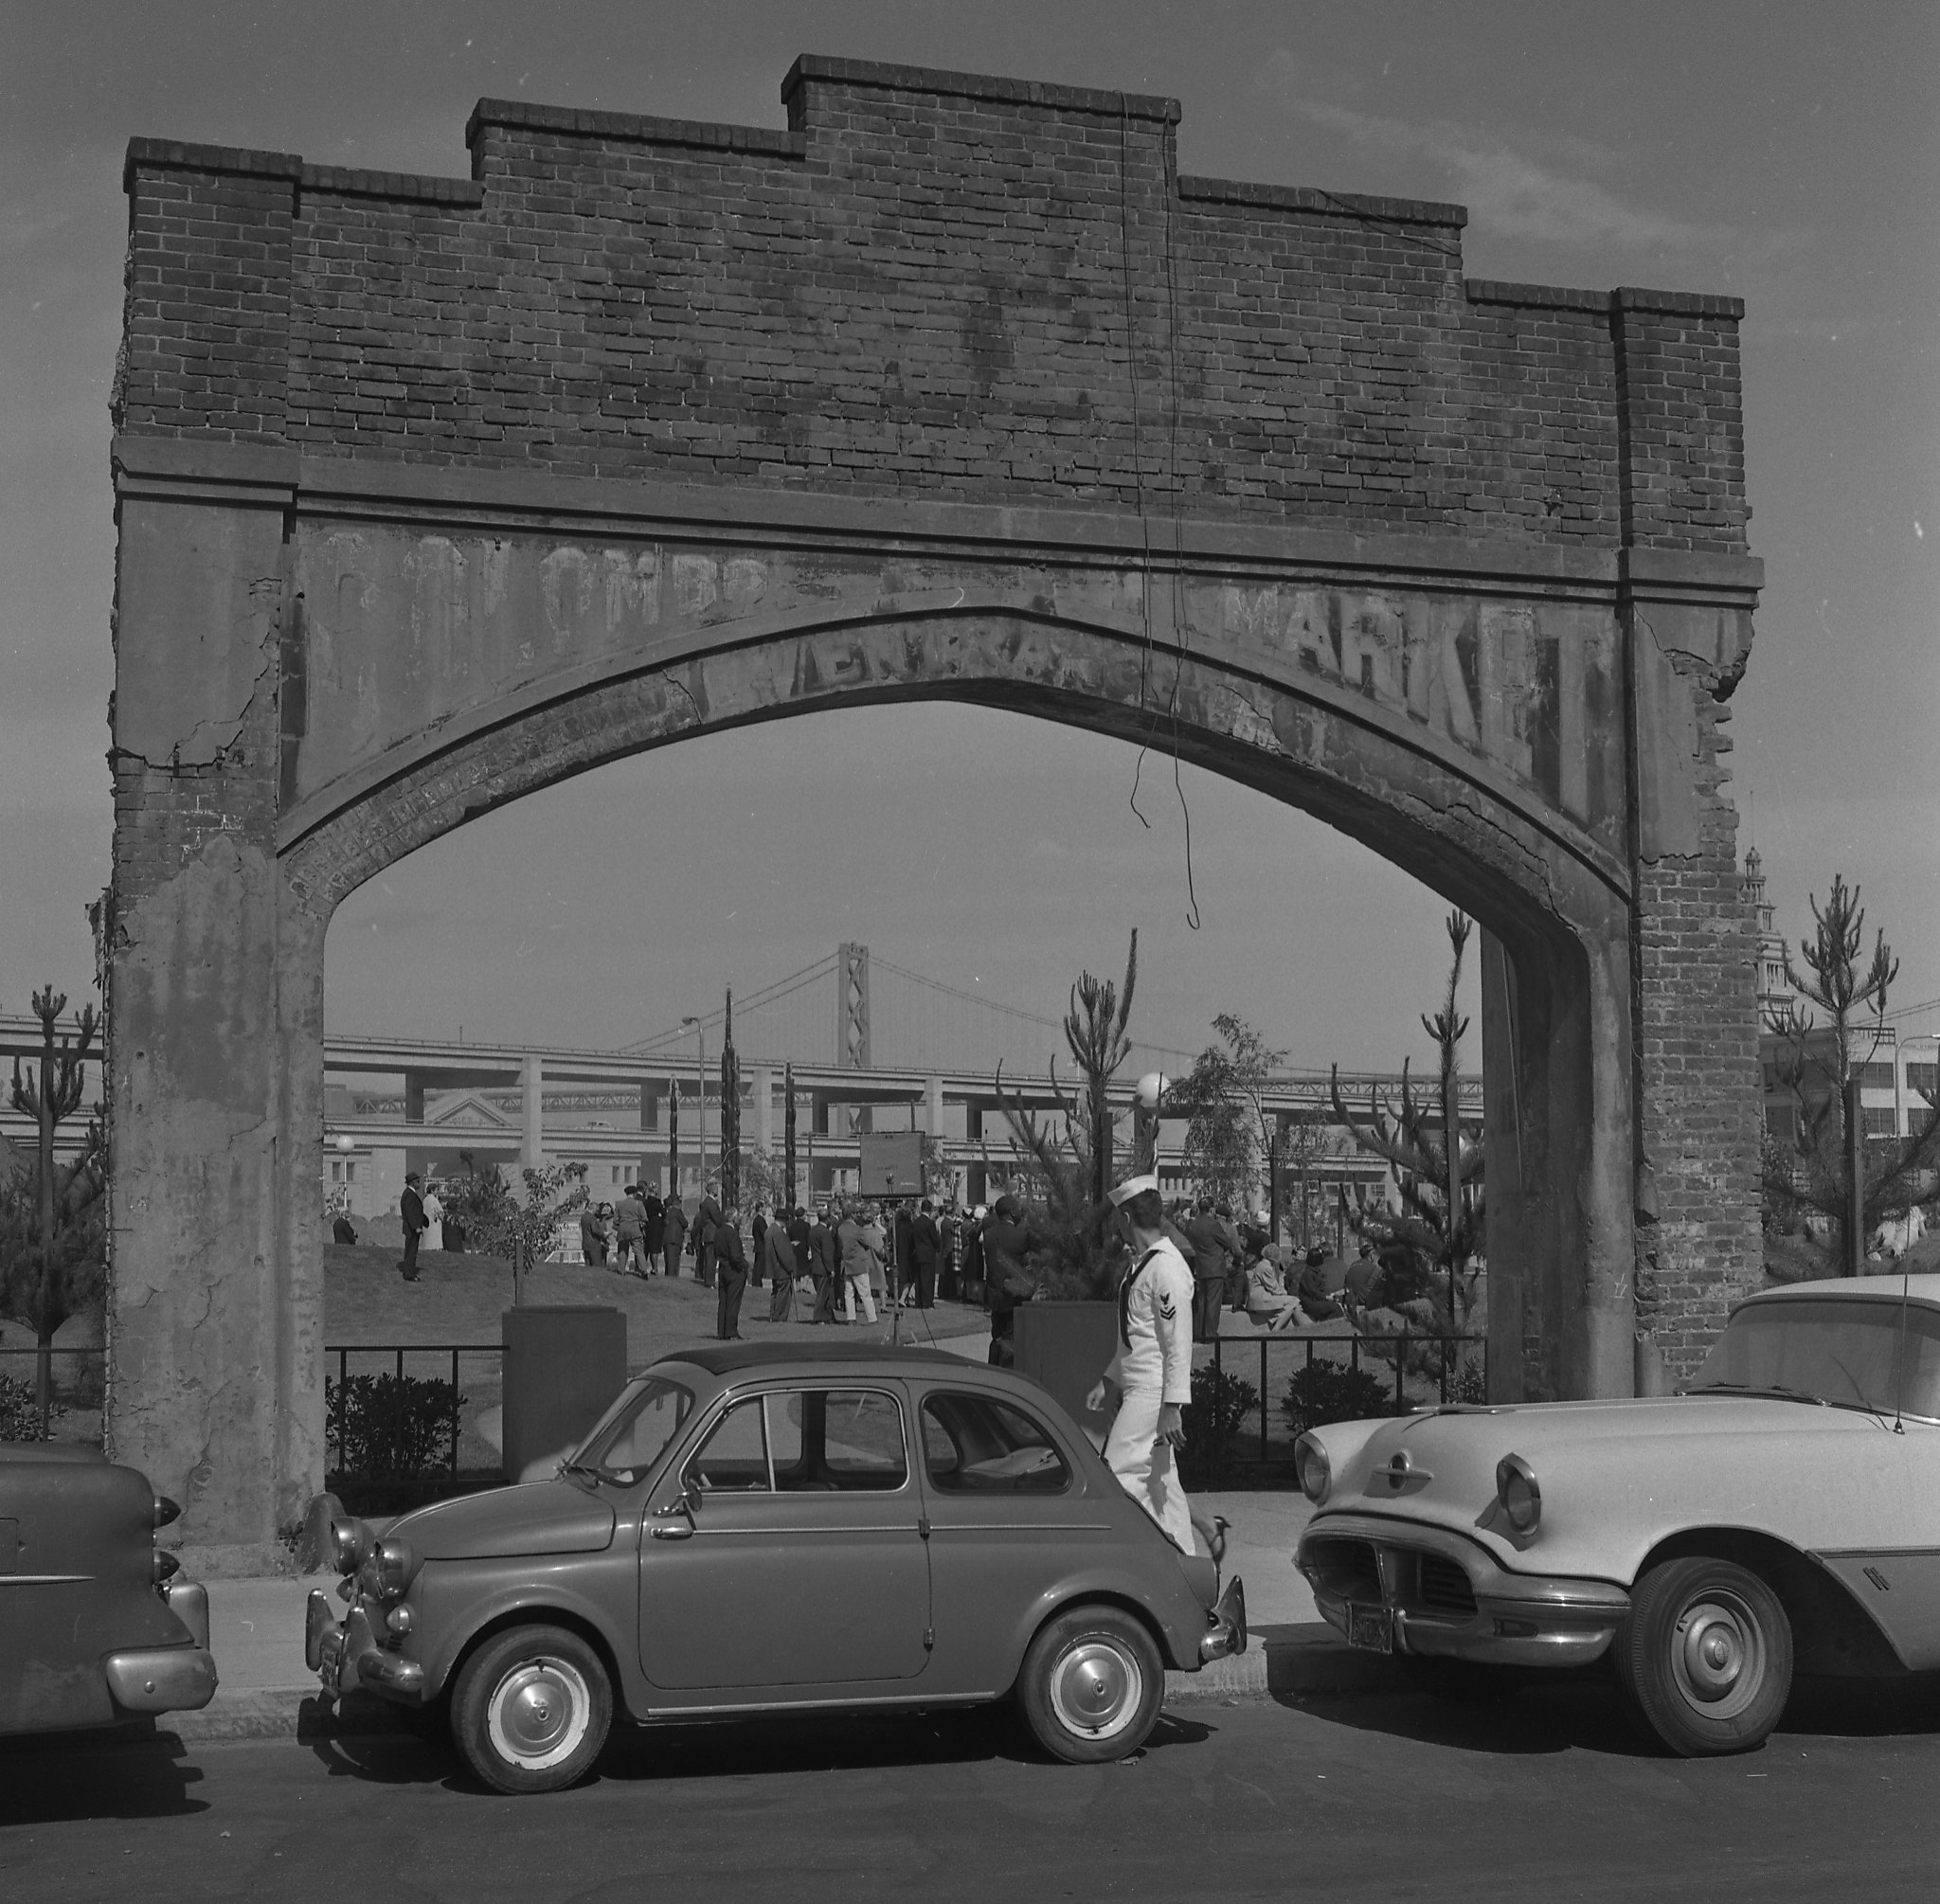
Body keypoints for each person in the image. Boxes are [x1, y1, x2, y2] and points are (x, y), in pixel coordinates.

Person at [1086, 1173, 1196, 1553]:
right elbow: (1134, 1336)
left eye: (1119, 1217)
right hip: (1142, 1389)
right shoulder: (1144, 1267)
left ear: (1127, 1219)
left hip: (1152, 1393)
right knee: (1161, 1485)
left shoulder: (1165, 1269)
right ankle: (1185, 1567)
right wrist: (1110, 1379)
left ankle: (1137, 1557)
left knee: (1117, 1475)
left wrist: (1171, 1406)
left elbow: (1176, 1343)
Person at [980, 1194, 1037, 1367]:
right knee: (1011, 1340)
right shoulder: (1021, 1236)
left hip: (994, 1295)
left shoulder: (989, 1235)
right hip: (1015, 1296)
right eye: (1019, 1208)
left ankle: (993, 1368)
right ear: (1013, 1212)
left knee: (997, 1336)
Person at [1181, 1195, 1239, 1342]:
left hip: (1199, 1267)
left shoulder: (1192, 1225)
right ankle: (1210, 1333)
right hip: (1214, 1267)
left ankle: (1200, 1332)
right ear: (1211, 1209)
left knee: (1202, 1302)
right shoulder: (1213, 1225)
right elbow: (1227, 1242)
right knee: (1213, 1302)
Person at [835, 1201, 879, 1324]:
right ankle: (872, 1318)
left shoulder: (841, 1229)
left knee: (848, 1293)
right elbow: (868, 1243)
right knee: (865, 1293)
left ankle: (851, 1318)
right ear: (854, 1214)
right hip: (858, 1264)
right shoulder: (857, 1229)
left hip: (846, 1264)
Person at [714, 1212, 749, 1340]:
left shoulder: (719, 1232)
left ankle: (722, 1331)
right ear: (733, 1218)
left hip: (723, 1268)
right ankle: (731, 1332)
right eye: (737, 1217)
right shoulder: (732, 1233)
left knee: (723, 1301)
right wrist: (743, 1265)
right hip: (734, 1270)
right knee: (733, 1302)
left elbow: (715, 1251)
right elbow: (735, 1256)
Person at [809, 1203, 840, 1323]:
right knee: (822, 1295)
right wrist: (831, 1269)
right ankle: (818, 1318)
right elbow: (827, 1253)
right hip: (823, 1267)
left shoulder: (813, 1230)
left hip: (814, 1265)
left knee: (826, 1294)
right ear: (827, 1219)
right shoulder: (825, 1233)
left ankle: (829, 1316)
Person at [908, 1198, 942, 1309]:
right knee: (928, 1279)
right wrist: (937, 1246)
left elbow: (912, 1238)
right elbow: (935, 1240)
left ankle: (919, 1301)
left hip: (917, 1253)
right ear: (930, 1210)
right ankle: (927, 1302)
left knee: (918, 1279)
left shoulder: (915, 1222)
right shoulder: (929, 1223)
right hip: (928, 1254)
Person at [763, 1217, 798, 1322]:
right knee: (783, 1294)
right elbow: (782, 1253)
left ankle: (773, 1315)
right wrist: (790, 1267)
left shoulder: (769, 1230)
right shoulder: (778, 1232)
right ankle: (779, 1316)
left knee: (775, 1292)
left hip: (774, 1268)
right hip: (781, 1269)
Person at [398, 1174, 428, 1283]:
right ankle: (409, 1274)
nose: (419, 1183)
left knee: (411, 1250)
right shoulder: (409, 1194)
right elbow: (411, 1213)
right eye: (417, 1181)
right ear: (412, 1182)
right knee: (411, 1251)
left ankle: (409, 1272)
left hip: (411, 1227)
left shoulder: (408, 1194)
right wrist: (416, 1228)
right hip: (412, 1229)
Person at [613, 1185, 648, 1278]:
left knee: (623, 1250)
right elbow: (645, 1218)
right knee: (639, 1251)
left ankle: (622, 1270)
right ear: (635, 1193)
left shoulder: (619, 1204)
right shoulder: (639, 1204)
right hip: (635, 1229)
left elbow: (615, 1220)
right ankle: (644, 1271)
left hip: (623, 1230)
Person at [694, 1180, 726, 1285]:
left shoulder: (706, 1202)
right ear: (712, 1190)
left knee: (711, 1259)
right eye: (716, 1188)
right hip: (711, 1234)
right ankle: (709, 1282)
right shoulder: (710, 1203)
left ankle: (709, 1281)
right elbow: (717, 1218)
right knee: (711, 1259)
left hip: (709, 1234)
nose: (718, 1189)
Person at [662, 1192, 690, 1280]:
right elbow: (685, 1223)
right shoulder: (677, 1211)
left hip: (667, 1239)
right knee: (674, 1262)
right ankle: (672, 1279)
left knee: (668, 1261)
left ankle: (668, 1278)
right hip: (675, 1240)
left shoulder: (668, 1212)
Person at [642, 1185, 667, 1276]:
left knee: (647, 1248)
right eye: (658, 1189)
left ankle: (643, 1266)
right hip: (656, 1226)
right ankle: (654, 1269)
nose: (659, 1190)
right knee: (655, 1249)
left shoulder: (646, 1202)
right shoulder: (656, 1202)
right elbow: (664, 1212)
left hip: (648, 1225)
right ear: (654, 1190)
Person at [580, 1199, 610, 1268]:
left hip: (585, 1244)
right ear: (593, 1209)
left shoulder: (583, 1217)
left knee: (588, 1267)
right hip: (594, 1245)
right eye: (596, 1210)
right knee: (597, 1267)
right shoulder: (592, 1218)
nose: (597, 1212)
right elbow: (595, 1230)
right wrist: (604, 1234)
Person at [422, 1182, 444, 1254]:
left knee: (428, 1244)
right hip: (434, 1225)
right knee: (435, 1244)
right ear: (432, 1191)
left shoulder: (424, 1200)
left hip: (426, 1224)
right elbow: (440, 1211)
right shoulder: (434, 1200)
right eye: (436, 1190)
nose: (437, 1192)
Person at [750, 1205, 769, 1288]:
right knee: (759, 1266)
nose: (766, 1210)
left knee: (758, 1265)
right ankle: (756, 1283)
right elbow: (764, 1233)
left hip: (758, 1245)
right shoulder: (760, 1220)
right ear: (761, 1208)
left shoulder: (756, 1220)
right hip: (761, 1246)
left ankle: (757, 1282)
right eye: (765, 1208)